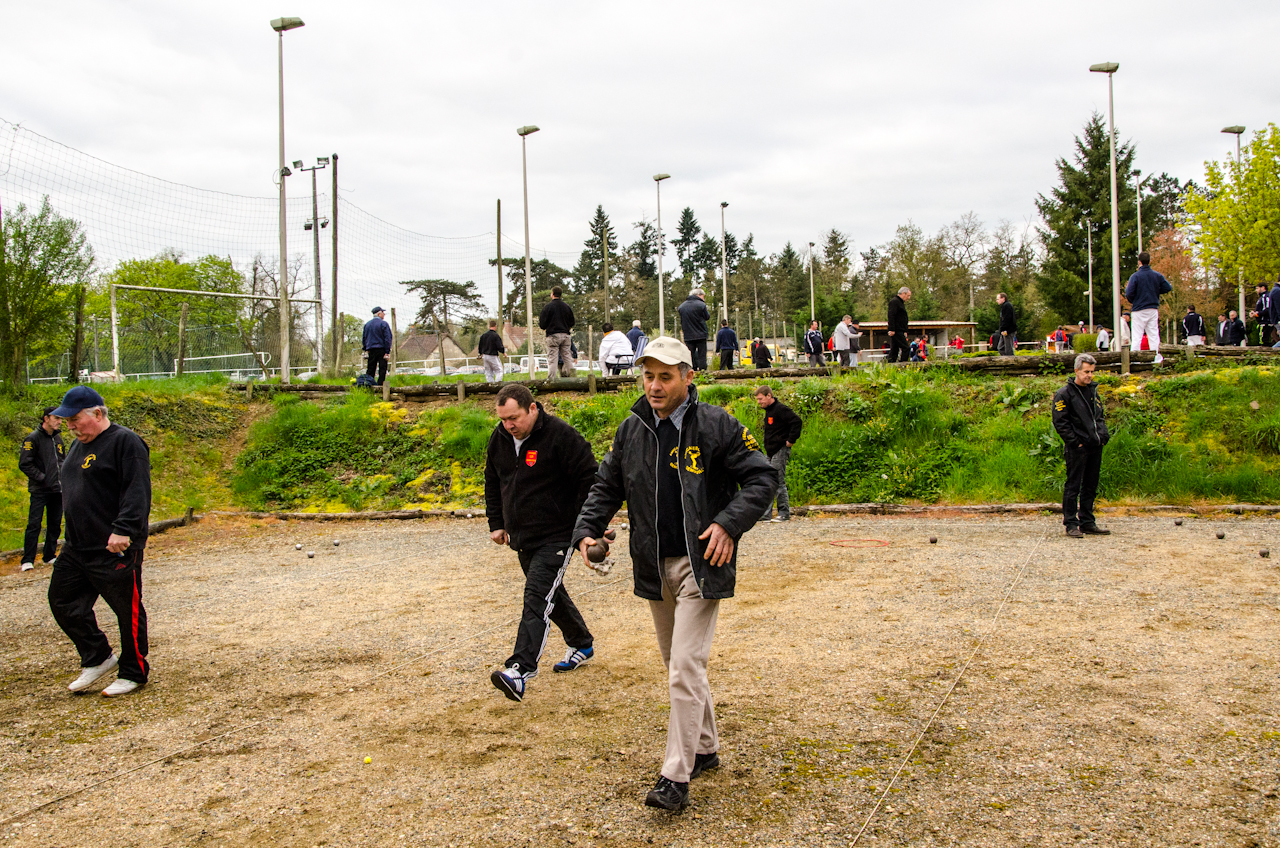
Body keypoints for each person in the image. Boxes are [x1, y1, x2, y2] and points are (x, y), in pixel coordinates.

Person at [572, 336, 776, 812]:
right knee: (677, 665)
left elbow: (763, 477)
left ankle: (675, 776)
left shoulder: (718, 424)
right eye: (648, 376)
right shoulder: (631, 429)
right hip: (653, 565)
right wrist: (586, 530)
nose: (655, 386)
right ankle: (704, 748)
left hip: (700, 564)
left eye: (665, 376)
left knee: (685, 666)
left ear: (688, 376)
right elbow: (606, 486)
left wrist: (728, 524)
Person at [485, 384, 599, 702]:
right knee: (550, 594)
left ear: (533, 408)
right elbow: (493, 479)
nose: (509, 425)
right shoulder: (500, 438)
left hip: (558, 534)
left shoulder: (562, 436)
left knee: (536, 597)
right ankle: (581, 642)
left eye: (514, 418)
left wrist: (588, 526)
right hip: (522, 535)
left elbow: (591, 479)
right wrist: (497, 522)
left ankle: (519, 671)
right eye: (503, 419)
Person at [47, 387, 152, 697]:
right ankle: (98, 657)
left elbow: (137, 490)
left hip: (114, 546)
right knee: (63, 601)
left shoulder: (125, 442)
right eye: (67, 421)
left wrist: (124, 529)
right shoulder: (77, 445)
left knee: (127, 610)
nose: (70, 427)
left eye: (75, 420)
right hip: (77, 546)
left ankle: (133, 672)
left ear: (97, 413)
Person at [1052, 354, 1111, 539]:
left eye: (1092, 372)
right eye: (1086, 372)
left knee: (1090, 485)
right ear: (1076, 370)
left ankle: (1087, 521)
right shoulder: (1064, 394)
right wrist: (1075, 442)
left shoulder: (1093, 392)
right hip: (1077, 448)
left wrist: (1103, 436)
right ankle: (1071, 523)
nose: (1089, 375)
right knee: (1073, 485)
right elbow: (1060, 422)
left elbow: (1099, 417)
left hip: (1095, 445)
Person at [19, 407, 67, 571]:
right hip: (40, 490)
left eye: (60, 419)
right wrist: (42, 478)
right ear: (46, 418)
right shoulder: (33, 438)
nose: (59, 422)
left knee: (55, 523)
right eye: (56, 418)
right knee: (34, 524)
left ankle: (49, 555)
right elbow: (25, 463)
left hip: (57, 489)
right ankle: (28, 559)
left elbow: (62, 461)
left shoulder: (58, 439)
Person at [754, 386, 801, 523]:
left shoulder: (781, 409)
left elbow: (797, 421)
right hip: (770, 451)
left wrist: (791, 440)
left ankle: (784, 512)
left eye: (760, 399)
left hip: (780, 449)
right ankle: (766, 514)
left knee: (778, 480)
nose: (759, 402)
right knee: (768, 480)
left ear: (769, 396)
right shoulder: (769, 411)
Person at [1124, 251, 1172, 363]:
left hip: (1139, 309)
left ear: (1139, 262)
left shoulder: (1135, 276)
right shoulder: (1157, 275)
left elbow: (1129, 293)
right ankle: (1157, 359)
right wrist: (1155, 291)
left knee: (1137, 336)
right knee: (1153, 335)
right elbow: (1168, 287)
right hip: (1152, 308)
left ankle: (1135, 360)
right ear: (1149, 261)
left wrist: (1133, 301)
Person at [538, 286, 576, 378]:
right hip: (565, 335)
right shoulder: (567, 307)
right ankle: (573, 377)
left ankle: (552, 379)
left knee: (553, 359)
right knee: (567, 357)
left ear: (552, 294)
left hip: (553, 335)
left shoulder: (548, 307)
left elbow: (542, 325)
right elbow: (572, 322)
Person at [677, 288, 711, 371]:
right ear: (699, 295)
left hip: (688, 334)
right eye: (703, 296)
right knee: (702, 355)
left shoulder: (682, 307)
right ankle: (703, 372)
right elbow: (707, 317)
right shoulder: (701, 305)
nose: (704, 299)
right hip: (701, 333)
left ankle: (692, 370)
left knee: (690, 354)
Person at [362, 307, 393, 386]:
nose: (384, 314)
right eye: (383, 312)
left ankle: (369, 385)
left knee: (371, 369)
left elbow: (364, 338)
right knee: (382, 368)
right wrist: (387, 351)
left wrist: (365, 349)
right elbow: (388, 338)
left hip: (371, 349)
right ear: (379, 314)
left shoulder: (367, 325)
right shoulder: (384, 324)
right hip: (381, 349)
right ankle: (380, 386)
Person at [886, 287, 911, 363]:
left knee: (894, 349)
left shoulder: (900, 303)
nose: (908, 298)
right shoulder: (895, 302)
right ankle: (903, 364)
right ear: (903, 293)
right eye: (908, 295)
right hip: (897, 330)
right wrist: (892, 329)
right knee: (906, 348)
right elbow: (891, 315)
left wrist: (905, 330)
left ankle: (891, 364)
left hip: (900, 329)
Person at [1250, 283, 1276, 347]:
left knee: (1263, 341)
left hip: (1265, 322)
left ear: (1263, 288)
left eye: (1257, 288)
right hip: (1263, 322)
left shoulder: (1266, 297)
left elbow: (1267, 309)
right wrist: (1255, 313)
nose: (1256, 290)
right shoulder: (1261, 297)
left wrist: (1257, 314)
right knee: (1263, 340)